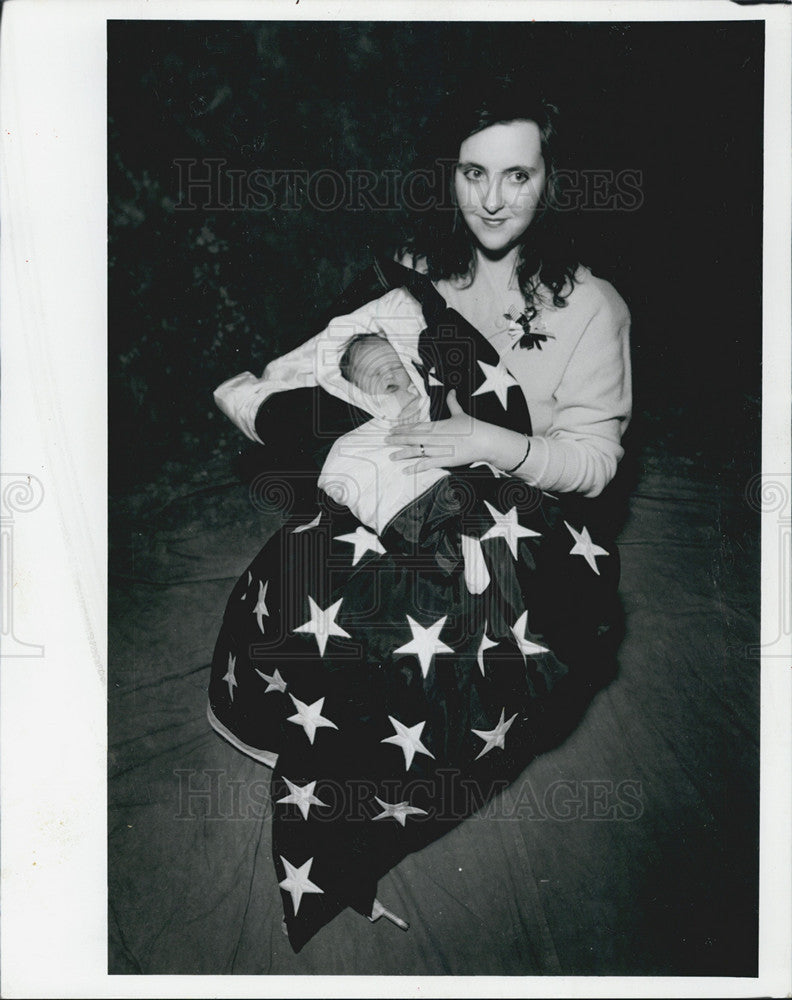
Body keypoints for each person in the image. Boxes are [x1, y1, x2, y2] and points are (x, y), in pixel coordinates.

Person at [208, 74, 631, 953]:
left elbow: (593, 466)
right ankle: (289, 736)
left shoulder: (593, 307)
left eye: (518, 175)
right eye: (473, 173)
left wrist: (487, 439)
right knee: (295, 586)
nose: (493, 199)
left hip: (527, 528)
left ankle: (357, 818)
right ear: (450, 175)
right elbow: (334, 360)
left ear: (553, 179)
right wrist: (285, 395)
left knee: (426, 661)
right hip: (402, 480)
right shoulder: (418, 266)